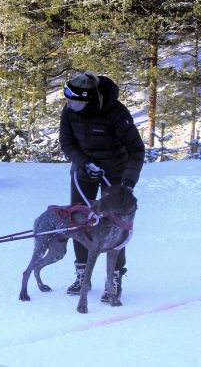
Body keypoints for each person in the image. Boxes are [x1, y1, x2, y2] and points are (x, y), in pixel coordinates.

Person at [59, 70, 145, 302]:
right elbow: (67, 143)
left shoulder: (116, 113)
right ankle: (81, 273)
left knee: (115, 224)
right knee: (79, 220)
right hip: (84, 170)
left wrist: (127, 182)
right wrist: (83, 162)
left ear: (88, 99)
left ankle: (114, 278)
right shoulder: (69, 111)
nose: (68, 104)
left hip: (116, 173)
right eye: (67, 99)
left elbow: (136, 150)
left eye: (73, 100)